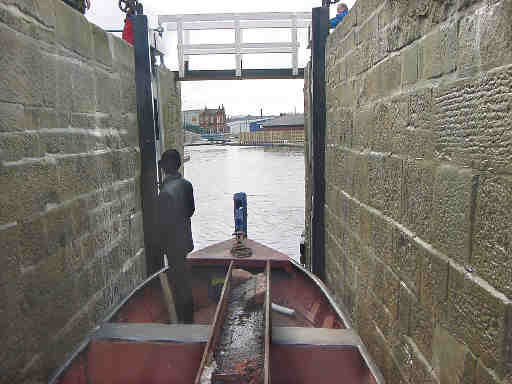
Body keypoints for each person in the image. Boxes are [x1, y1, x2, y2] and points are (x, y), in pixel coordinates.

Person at [157, 149, 196, 323]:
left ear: (165, 167)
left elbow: (162, 225)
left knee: (178, 281)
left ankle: (183, 318)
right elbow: (190, 211)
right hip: (185, 240)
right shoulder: (187, 185)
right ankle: (189, 314)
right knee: (184, 278)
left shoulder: (164, 194)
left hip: (173, 245)